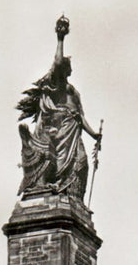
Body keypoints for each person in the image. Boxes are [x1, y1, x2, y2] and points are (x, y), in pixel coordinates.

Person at [17, 15, 102, 199]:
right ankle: (52, 190)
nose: (66, 69)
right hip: (57, 131)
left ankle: (71, 198)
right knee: (53, 162)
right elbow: (56, 62)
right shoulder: (57, 86)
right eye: (64, 67)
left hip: (72, 133)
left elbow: (81, 118)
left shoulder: (74, 94)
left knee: (82, 163)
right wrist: (60, 39)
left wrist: (94, 134)